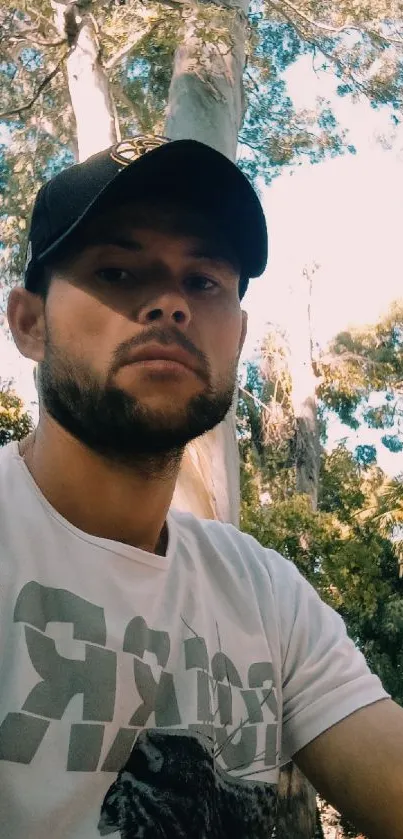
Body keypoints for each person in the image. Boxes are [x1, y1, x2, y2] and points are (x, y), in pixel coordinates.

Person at [2, 134, 402, 839]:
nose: (170, 304)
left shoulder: (263, 594)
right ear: (30, 324)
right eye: (120, 271)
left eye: (203, 281)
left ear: (238, 337)